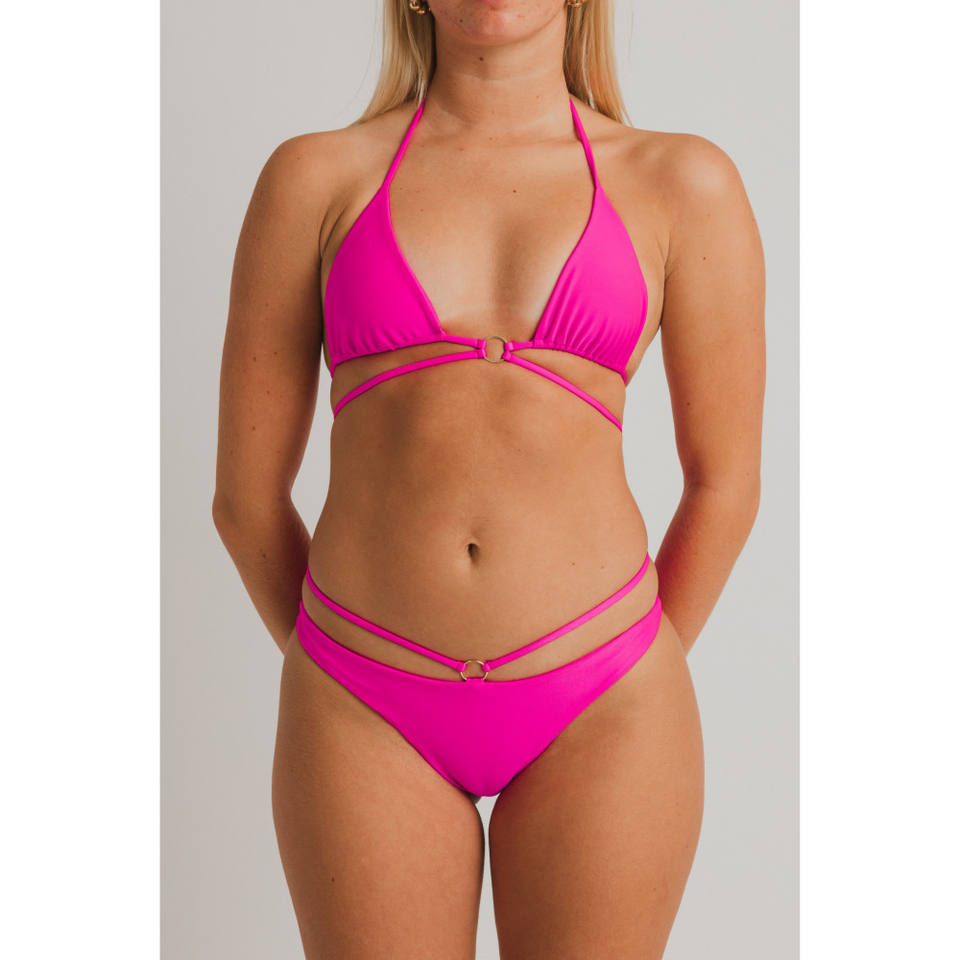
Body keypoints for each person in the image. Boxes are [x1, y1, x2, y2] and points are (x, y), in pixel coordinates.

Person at [213, 0, 765, 956]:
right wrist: (339, 661)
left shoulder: (682, 182)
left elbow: (726, 483)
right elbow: (245, 500)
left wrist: (629, 661)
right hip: (362, 699)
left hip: (606, 703)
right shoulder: (314, 179)